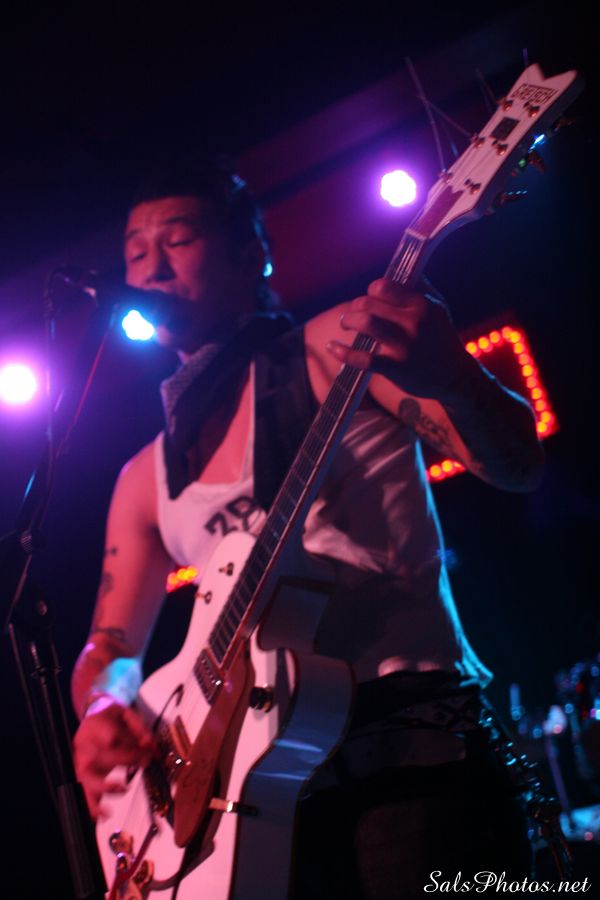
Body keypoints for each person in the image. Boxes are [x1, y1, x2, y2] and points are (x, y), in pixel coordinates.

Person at [71, 158, 543, 898]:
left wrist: (454, 377)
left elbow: (516, 465)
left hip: (409, 764)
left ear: (251, 254)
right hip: (252, 814)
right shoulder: (143, 476)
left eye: (178, 240)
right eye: (135, 253)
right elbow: (114, 646)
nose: (152, 267)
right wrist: (103, 704)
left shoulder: (336, 347)